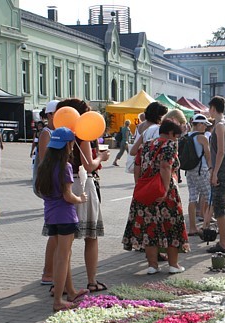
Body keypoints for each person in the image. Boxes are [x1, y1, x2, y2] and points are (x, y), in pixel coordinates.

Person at [122, 119, 189, 273]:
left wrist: (140, 185)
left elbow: (137, 165)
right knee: (171, 226)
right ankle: (173, 265)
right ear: (171, 133)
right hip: (165, 191)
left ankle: (152, 265)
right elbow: (166, 167)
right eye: (176, 136)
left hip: (145, 191)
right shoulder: (169, 145)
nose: (176, 139)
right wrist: (165, 190)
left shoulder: (145, 145)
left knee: (149, 227)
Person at [57, 99, 109, 293]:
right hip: (83, 183)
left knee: (64, 240)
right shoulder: (82, 135)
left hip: (64, 184)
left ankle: (60, 284)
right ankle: (92, 280)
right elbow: (89, 164)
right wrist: (101, 158)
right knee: (91, 236)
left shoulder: (59, 136)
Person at [35, 127, 88, 311]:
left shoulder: (44, 166)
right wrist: (80, 199)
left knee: (64, 255)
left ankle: (71, 291)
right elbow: (67, 196)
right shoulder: (65, 166)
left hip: (51, 215)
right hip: (65, 215)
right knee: (63, 257)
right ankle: (58, 299)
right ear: (68, 144)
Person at [207, 96, 225, 253]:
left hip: (222, 169)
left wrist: (214, 172)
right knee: (222, 205)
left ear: (213, 108)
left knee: (219, 206)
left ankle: (223, 243)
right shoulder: (223, 124)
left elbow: (220, 152)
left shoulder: (219, 126)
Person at [37, 100, 59, 286]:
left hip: (58, 183)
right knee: (55, 231)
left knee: (59, 232)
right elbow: (44, 160)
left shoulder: (58, 132)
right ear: (51, 115)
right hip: (52, 185)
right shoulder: (47, 133)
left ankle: (52, 271)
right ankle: (48, 272)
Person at [184, 114, 212, 236]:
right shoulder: (202, 138)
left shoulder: (186, 136)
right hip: (201, 169)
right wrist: (212, 170)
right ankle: (206, 224)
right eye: (204, 124)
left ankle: (192, 227)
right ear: (199, 124)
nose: (206, 127)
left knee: (192, 198)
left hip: (189, 170)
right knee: (209, 196)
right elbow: (208, 155)